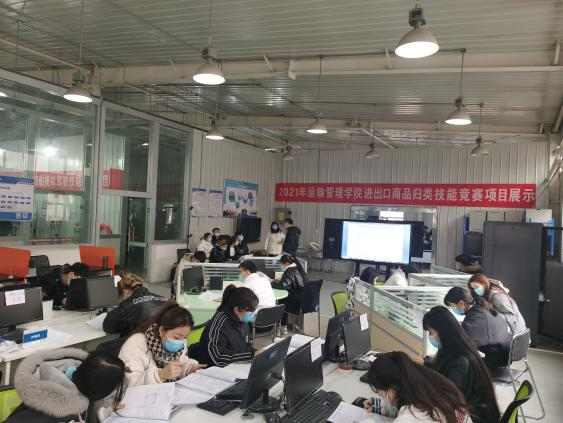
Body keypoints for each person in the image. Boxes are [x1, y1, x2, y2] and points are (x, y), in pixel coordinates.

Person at [422, 306, 500, 423]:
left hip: (474, 418)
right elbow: (443, 365)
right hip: (473, 413)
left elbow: (447, 398)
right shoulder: (460, 346)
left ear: (442, 331)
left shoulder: (461, 361)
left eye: (431, 331)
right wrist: (426, 363)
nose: (430, 336)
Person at [7, 348, 126, 423]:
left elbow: (85, 413)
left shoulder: (80, 386)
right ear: (100, 391)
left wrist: (104, 413)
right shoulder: (54, 403)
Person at [361, 351, 472, 423]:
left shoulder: (411, 418)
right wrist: (379, 405)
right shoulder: (431, 385)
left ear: (392, 392)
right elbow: (399, 404)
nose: (382, 397)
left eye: (380, 394)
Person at [118, 302, 203, 387]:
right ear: (161, 330)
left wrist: (190, 368)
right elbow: (129, 383)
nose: (180, 342)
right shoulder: (135, 344)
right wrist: (160, 375)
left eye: (185, 337)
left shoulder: (179, 343)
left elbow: (181, 361)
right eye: (177, 337)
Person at [444, 287, 511, 377]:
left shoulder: (475, 317)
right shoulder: (481, 306)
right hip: (504, 351)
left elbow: (463, 344)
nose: (452, 309)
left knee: (456, 365)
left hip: (497, 359)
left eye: (452, 306)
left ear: (461, 303)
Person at [189, 285, 258, 367]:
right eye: (250, 312)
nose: (252, 314)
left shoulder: (242, 320)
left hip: (233, 365)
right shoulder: (219, 325)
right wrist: (250, 355)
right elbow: (219, 357)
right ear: (236, 310)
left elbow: (243, 344)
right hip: (211, 368)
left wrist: (255, 352)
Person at [103, 273, 168, 338]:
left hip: (142, 341)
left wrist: (119, 307)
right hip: (162, 339)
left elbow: (108, 327)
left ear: (125, 291)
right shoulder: (165, 300)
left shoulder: (126, 306)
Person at [271, 254, 307, 331]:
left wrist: (272, 283)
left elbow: (283, 285)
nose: (281, 266)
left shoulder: (290, 271)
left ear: (286, 263)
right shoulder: (299, 268)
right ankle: (283, 326)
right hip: (303, 300)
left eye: (282, 264)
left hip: (295, 302)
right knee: (283, 299)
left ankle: (282, 326)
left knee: (280, 302)